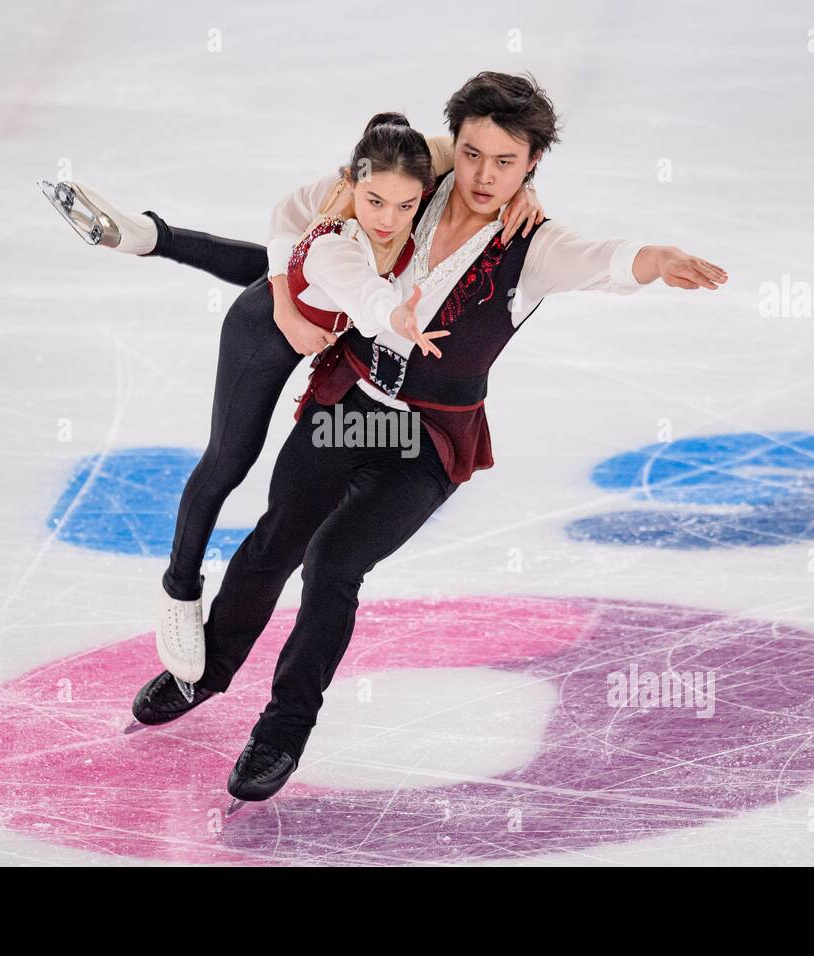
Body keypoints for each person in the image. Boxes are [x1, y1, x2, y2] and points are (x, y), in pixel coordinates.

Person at [123, 71, 729, 810]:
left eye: (506, 162)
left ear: (532, 164)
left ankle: (283, 727)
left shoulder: (531, 246)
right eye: (473, 153)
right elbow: (304, 213)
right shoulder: (417, 179)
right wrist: (282, 289)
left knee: (333, 562)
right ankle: (204, 672)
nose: (484, 175)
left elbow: (601, 260)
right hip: (349, 404)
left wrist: (654, 259)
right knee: (275, 540)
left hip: (426, 440)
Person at [39, 117, 545, 690]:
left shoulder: (426, 168)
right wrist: (285, 305)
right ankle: (179, 588)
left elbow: (487, 163)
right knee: (229, 461)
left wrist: (523, 188)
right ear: (353, 180)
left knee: (294, 269)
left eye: (403, 204)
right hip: (266, 334)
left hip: (319, 303)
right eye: (374, 198)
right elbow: (338, 269)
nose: (390, 214)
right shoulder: (342, 209)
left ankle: (149, 236)